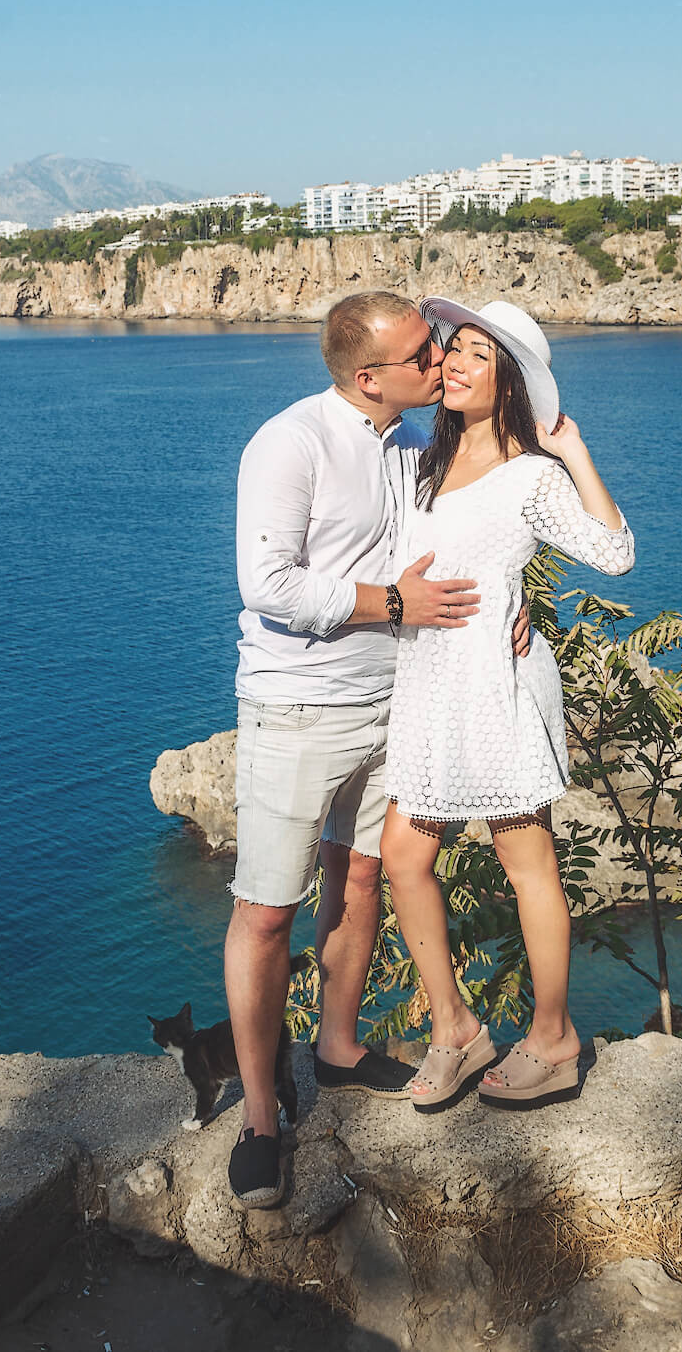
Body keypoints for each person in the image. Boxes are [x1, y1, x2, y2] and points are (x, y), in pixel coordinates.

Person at [223, 290, 483, 1210]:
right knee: (265, 912)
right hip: (299, 707)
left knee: (362, 878)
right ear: (368, 376)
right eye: (423, 354)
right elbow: (268, 583)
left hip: (395, 698)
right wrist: (391, 604)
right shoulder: (288, 444)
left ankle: (335, 1046)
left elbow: (463, 540)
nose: (440, 361)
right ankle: (260, 1116)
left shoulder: (411, 448)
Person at [380, 297, 634, 1114]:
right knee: (404, 858)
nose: (454, 363)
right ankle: (455, 1029)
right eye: (455, 349)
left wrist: (575, 451)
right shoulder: (418, 457)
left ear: (511, 383)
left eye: (478, 357)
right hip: (427, 684)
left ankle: (554, 1038)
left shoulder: (530, 474)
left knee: (528, 867)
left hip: (495, 683)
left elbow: (616, 555)